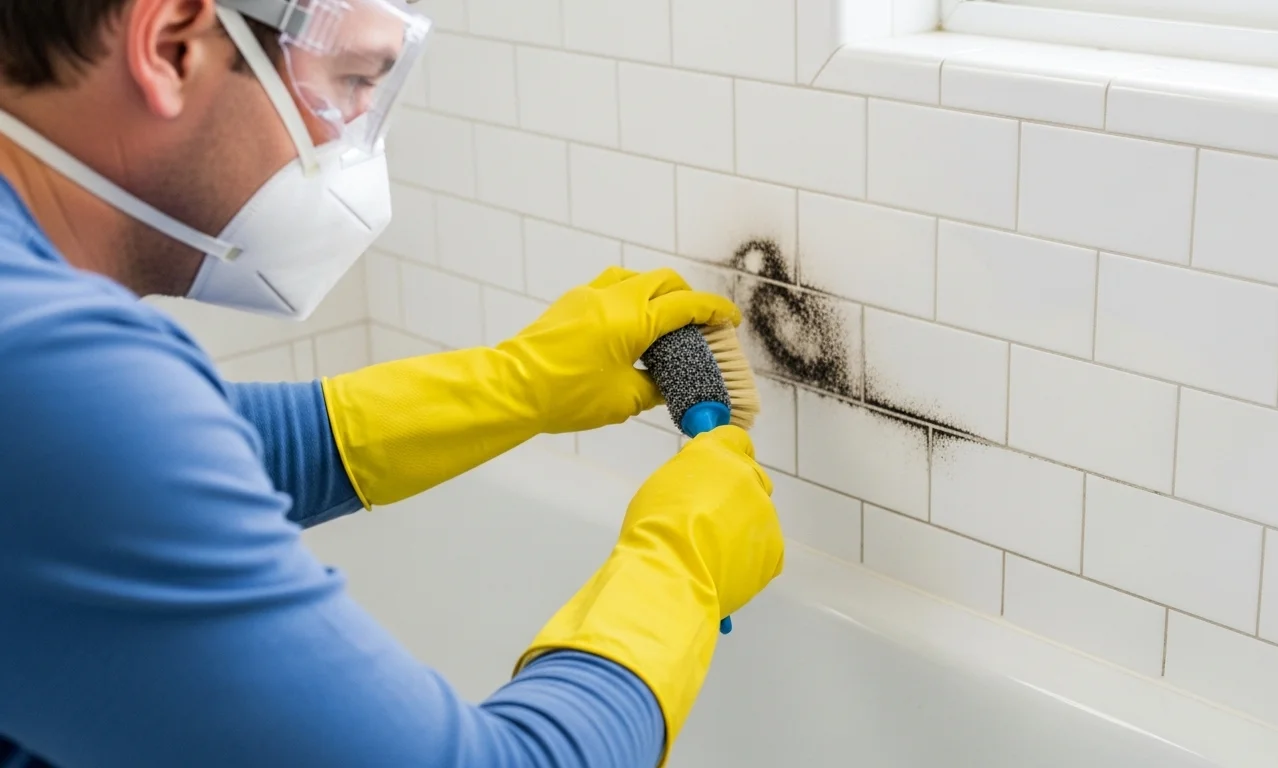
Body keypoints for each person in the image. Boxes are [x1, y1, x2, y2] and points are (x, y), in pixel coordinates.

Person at [0, 1, 785, 766]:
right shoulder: (36, 362)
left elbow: (146, 458)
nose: (357, 141)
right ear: (172, 44)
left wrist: (512, 385)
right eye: (345, 81)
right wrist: (678, 572)